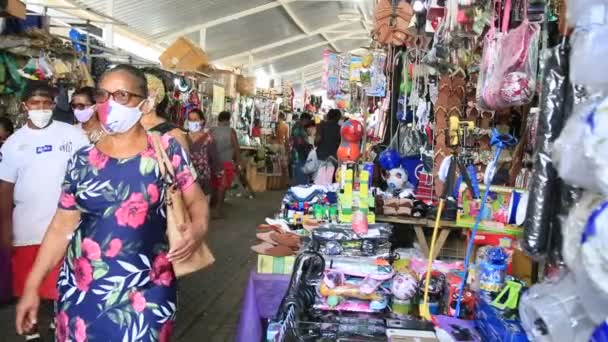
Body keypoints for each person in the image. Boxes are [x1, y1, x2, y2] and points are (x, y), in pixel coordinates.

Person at [14, 65, 209, 341]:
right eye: (103, 95)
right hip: (82, 293)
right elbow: (61, 226)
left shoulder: (166, 151)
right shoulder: (82, 160)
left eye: (122, 96)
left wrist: (198, 229)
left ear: (144, 103)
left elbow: (197, 202)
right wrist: (32, 286)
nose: (109, 105)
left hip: (148, 295)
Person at [0, 81, 89, 341]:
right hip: (27, 230)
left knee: (63, 287)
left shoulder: (72, 135)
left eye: (47, 103)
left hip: (67, 229)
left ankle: (60, 326)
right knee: (30, 287)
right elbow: (4, 191)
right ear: (24, 106)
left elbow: (88, 174)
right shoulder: (13, 144)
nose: (41, 108)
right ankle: (31, 331)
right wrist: (5, 231)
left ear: (54, 104)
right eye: (35, 104)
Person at [140, 73, 190, 154]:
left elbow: (184, 164)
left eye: (149, 92)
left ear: (158, 95)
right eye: (139, 92)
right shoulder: (126, 127)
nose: (144, 96)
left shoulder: (173, 133)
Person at [210, 111, 240, 216]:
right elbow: (236, 148)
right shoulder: (231, 132)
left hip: (213, 163)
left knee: (214, 186)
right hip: (226, 163)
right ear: (228, 120)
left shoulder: (212, 131)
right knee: (222, 187)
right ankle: (217, 210)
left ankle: (211, 207)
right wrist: (237, 162)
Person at [187, 108, 218, 196]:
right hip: (187, 179)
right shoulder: (183, 137)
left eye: (195, 119)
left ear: (201, 121)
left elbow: (214, 159)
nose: (192, 122)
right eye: (190, 119)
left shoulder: (208, 139)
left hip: (204, 179)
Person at [290, 112, 313, 185]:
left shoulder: (302, 127)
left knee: (302, 172)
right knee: (300, 172)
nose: (308, 123)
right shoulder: (297, 127)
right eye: (308, 121)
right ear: (304, 120)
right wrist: (308, 144)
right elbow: (297, 140)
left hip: (302, 153)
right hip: (298, 153)